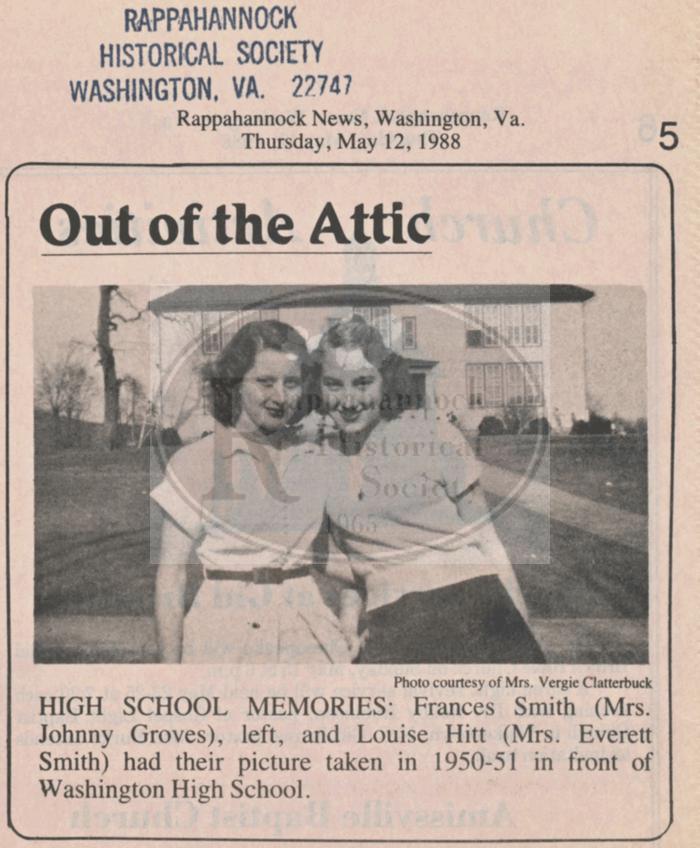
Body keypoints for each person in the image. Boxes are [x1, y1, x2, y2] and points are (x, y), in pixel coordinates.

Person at [314, 315, 545, 663]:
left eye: (363, 382)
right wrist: (349, 623)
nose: (348, 400)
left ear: (385, 381)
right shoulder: (319, 462)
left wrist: (523, 630)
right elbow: (356, 564)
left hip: (476, 606)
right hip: (392, 621)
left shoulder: (436, 437)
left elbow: (487, 541)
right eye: (334, 384)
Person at [151, 320, 351, 664]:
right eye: (265, 382)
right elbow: (171, 576)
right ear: (234, 383)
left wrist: (351, 612)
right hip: (223, 634)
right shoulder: (196, 462)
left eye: (291, 383)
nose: (280, 397)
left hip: (308, 632)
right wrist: (171, 674)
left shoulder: (317, 459)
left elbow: (337, 556)